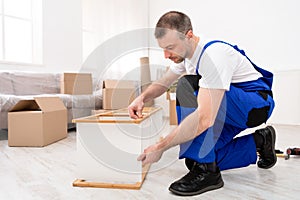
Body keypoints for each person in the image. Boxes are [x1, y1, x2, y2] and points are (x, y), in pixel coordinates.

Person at [128, 11, 276, 196]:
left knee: (187, 85)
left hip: (255, 105)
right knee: (195, 159)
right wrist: (141, 98)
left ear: (189, 35)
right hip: (229, 108)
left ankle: (208, 173)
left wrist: (161, 147)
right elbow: (163, 83)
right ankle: (260, 141)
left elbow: (205, 118)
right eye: (163, 48)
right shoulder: (186, 57)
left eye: (171, 47)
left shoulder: (214, 55)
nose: (166, 55)